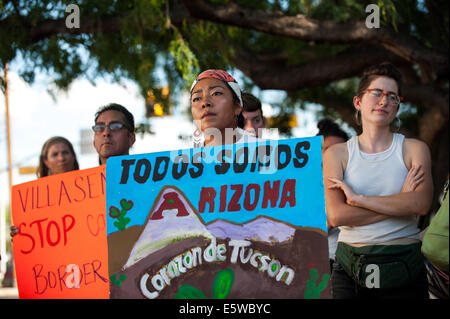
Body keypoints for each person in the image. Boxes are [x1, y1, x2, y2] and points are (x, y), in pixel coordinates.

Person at [323, 63, 433, 298]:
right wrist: (401, 203)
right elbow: (337, 216)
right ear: (358, 102)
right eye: (376, 93)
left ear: (398, 106)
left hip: (406, 266)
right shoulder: (337, 153)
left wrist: (359, 199)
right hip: (349, 268)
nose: (384, 101)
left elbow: (422, 204)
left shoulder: (414, 149)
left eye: (392, 96)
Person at [10, 136, 79, 237]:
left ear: (73, 156)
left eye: (65, 152)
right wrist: (19, 235)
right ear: (46, 162)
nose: (61, 158)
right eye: (55, 154)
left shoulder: (93, 189)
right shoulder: (34, 199)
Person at [190, 69, 259, 147]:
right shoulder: (185, 158)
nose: (205, 103)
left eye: (216, 93)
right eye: (197, 98)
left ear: (237, 106)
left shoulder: (269, 152)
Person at [316, 118, 349, 272]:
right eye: (329, 149)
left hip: (354, 260)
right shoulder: (307, 186)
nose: (334, 156)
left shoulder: (354, 182)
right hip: (322, 262)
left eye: (340, 150)